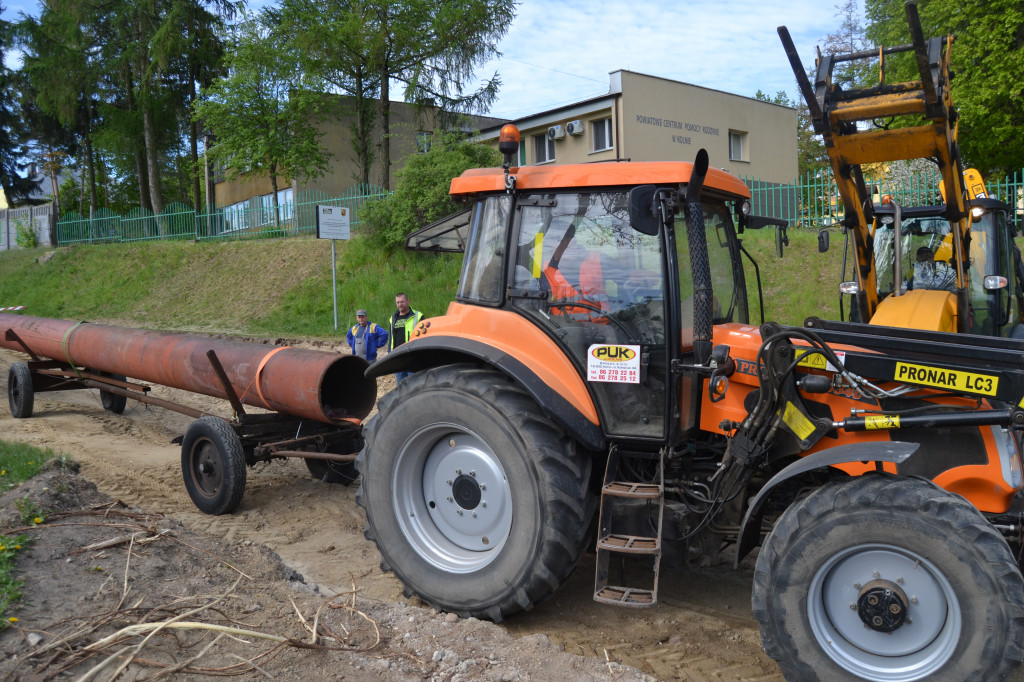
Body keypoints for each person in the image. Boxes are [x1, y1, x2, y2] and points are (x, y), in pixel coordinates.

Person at [390, 293, 424, 384]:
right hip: (398, 357)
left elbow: (424, 337)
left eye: (402, 302)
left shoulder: (418, 316)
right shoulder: (393, 318)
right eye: (397, 302)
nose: (400, 304)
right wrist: (390, 353)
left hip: (413, 356)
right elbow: (392, 337)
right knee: (401, 385)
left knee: (414, 385)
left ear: (408, 301)